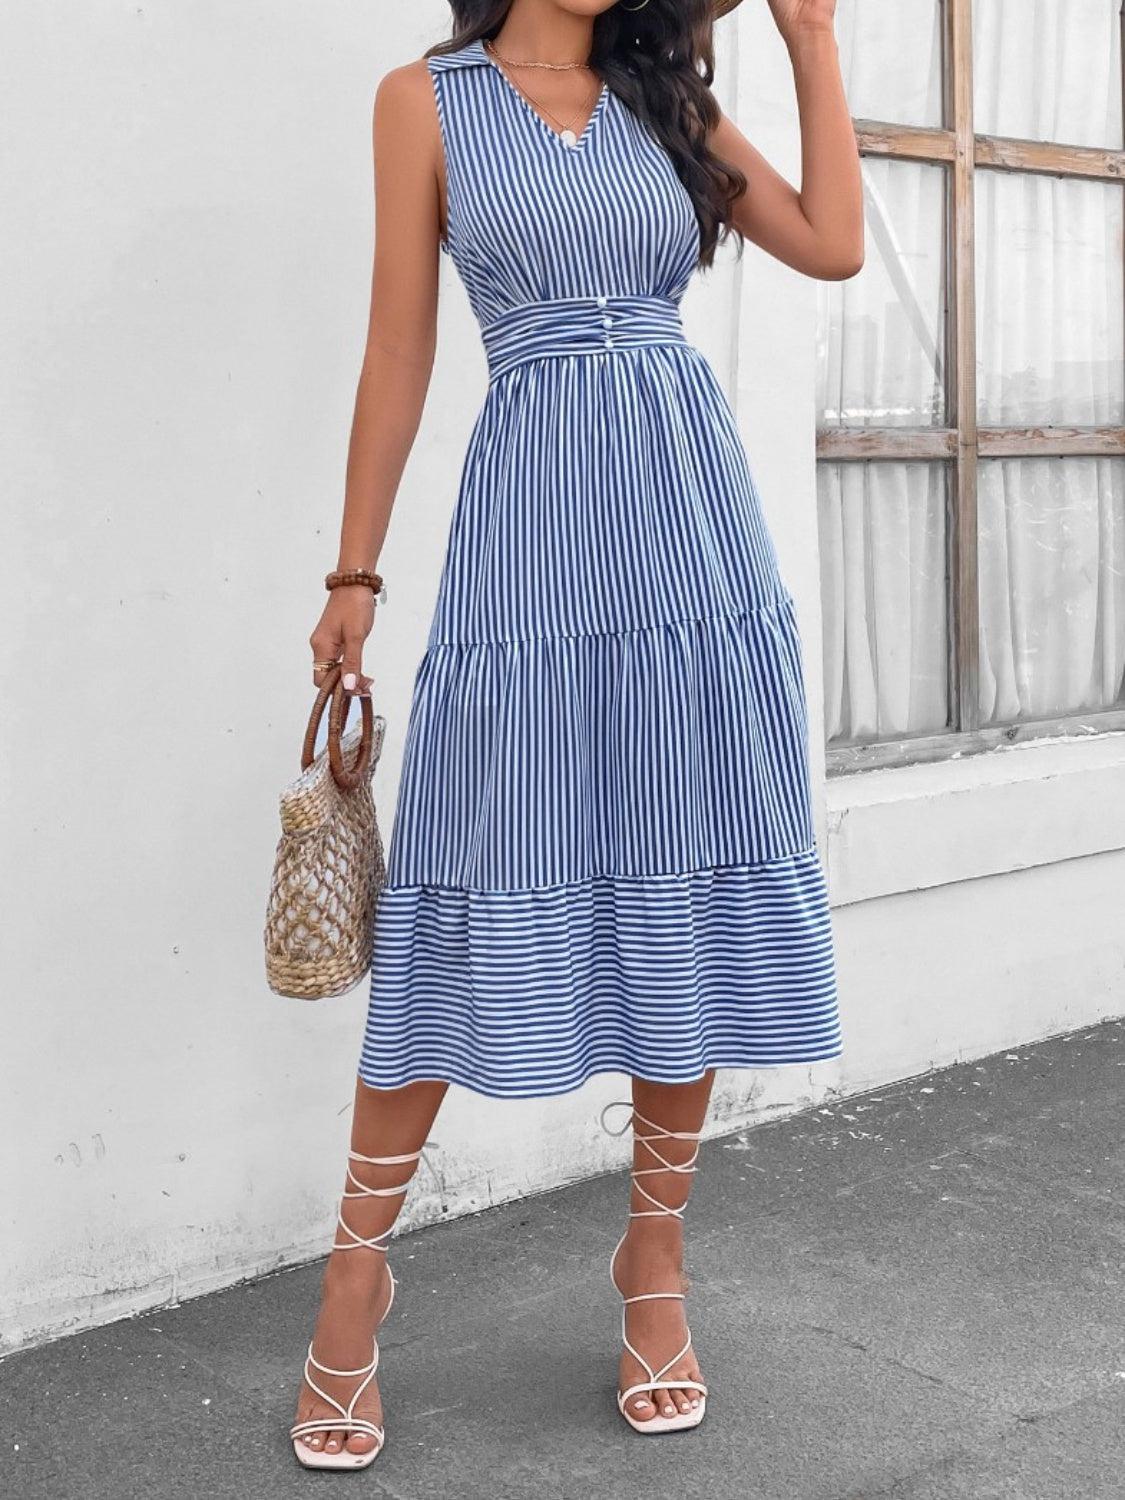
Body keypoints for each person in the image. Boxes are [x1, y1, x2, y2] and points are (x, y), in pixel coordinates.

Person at [290, 0, 861, 1469]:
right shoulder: (425, 102)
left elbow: (832, 242)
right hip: (528, 533)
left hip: (688, 530)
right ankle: (356, 1273)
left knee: (691, 860)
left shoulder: (662, 93)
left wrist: (810, 39)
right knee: (470, 867)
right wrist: (353, 573)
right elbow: (396, 350)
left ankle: (652, 1261)